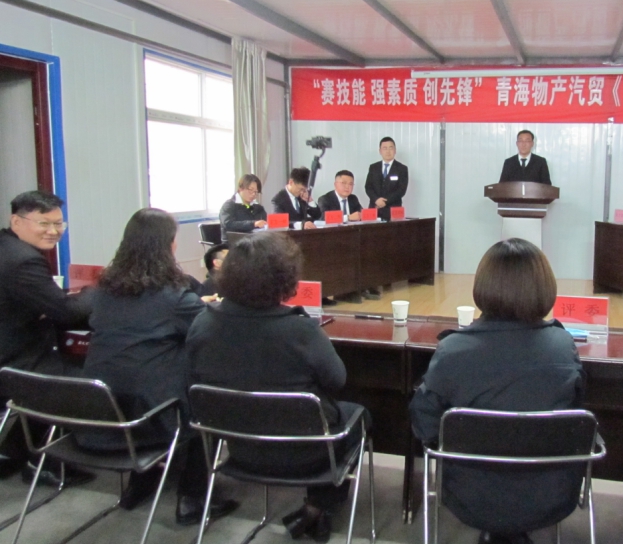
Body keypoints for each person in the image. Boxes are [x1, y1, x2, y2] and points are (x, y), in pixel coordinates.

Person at [187, 231, 369, 542]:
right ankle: (317, 507)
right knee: (358, 415)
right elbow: (337, 380)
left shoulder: (202, 323)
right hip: (305, 454)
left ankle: (315, 509)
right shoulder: (300, 330)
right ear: (285, 277)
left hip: (239, 448)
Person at [410, 238, 584, 544]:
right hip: (548, 495)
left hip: (469, 494)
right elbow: (575, 415)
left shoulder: (453, 350)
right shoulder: (562, 347)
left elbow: (424, 423)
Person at [79, 208, 237, 523]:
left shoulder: (103, 291)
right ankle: (192, 501)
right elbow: (212, 332)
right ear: (167, 246)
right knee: (206, 402)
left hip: (100, 407)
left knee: (150, 380)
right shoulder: (174, 297)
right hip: (154, 414)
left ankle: (141, 483)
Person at [0, 190, 93, 484]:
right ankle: (44, 464)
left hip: (11, 345)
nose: (53, 231)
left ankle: (12, 451)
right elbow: (66, 312)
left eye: (58, 224)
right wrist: (93, 292)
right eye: (44, 223)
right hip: (12, 357)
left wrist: (44, 307)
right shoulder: (23, 260)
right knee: (82, 377)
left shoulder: (7, 247)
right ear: (17, 221)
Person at [364, 137, 409, 221]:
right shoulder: (373, 167)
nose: (388, 151)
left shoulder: (402, 168)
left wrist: (385, 201)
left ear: (395, 150)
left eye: (390, 148)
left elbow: (401, 190)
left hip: (393, 210)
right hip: (374, 208)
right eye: (385, 148)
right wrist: (376, 200)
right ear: (380, 151)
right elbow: (368, 187)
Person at [219, 174, 267, 241]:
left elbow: (265, 223)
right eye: (251, 190)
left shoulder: (258, 207)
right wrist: (253, 224)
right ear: (240, 188)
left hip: (254, 242)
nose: (253, 194)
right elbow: (228, 224)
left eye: (256, 192)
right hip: (234, 243)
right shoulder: (229, 205)